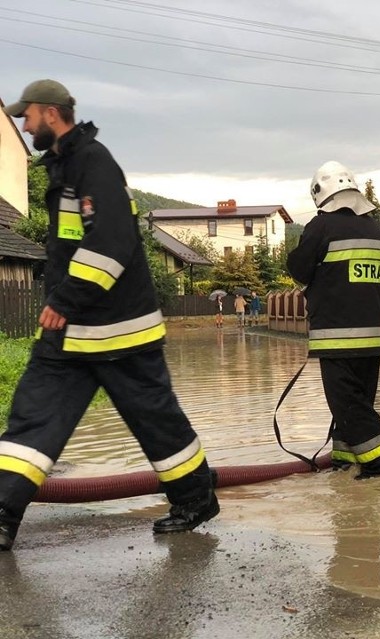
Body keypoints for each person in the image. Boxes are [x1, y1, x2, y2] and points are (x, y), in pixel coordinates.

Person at [0, 79, 218, 550]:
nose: (24, 122)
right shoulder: (63, 167)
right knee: (32, 419)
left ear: (51, 114)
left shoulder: (93, 163)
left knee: (155, 420)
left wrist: (63, 300)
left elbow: (112, 245)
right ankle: (2, 513)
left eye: (29, 114)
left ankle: (196, 497)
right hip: (70, 333)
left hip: (119, 331)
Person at [286, 160, 380, 479]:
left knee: (350, 408)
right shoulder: (379, 232)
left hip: (336, 337)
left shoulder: (321, 227)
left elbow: (298, 268)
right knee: (356, 403)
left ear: (322, 196)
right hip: (371, 339)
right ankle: (345, 463)